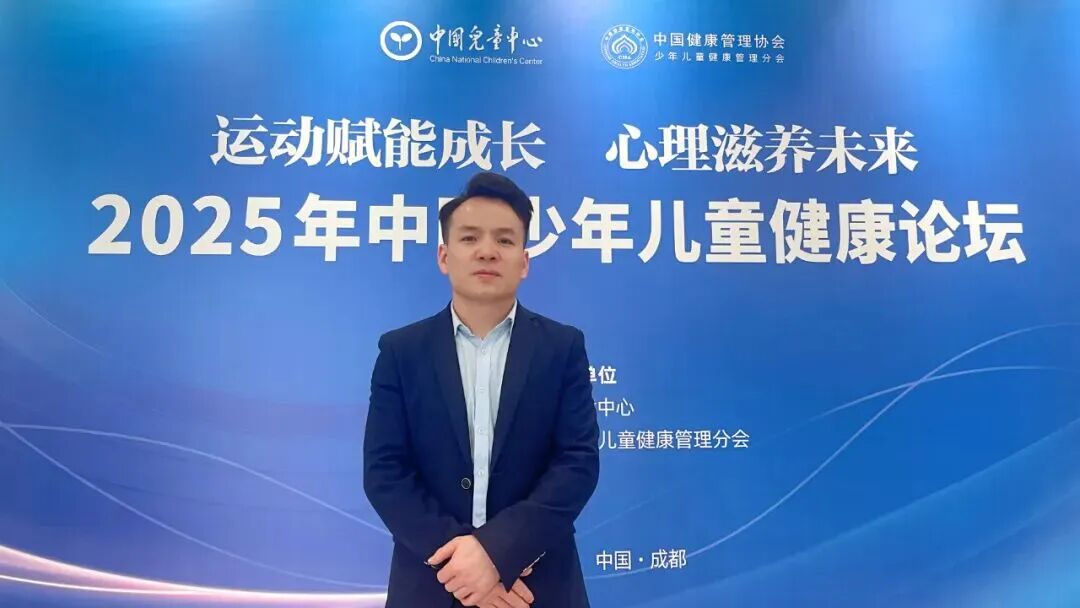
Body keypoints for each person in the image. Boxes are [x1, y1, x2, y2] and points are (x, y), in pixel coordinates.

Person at [363, 171, 600, 608]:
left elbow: (577, 464)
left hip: (537, 588)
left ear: (524, 262)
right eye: (470, 238)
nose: (487, 251)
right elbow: (385, 473)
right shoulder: (401, 351)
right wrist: (467, 566)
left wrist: (498, 554)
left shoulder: (562, 347)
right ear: (444, 256)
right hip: (431, 585)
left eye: (505, 240)